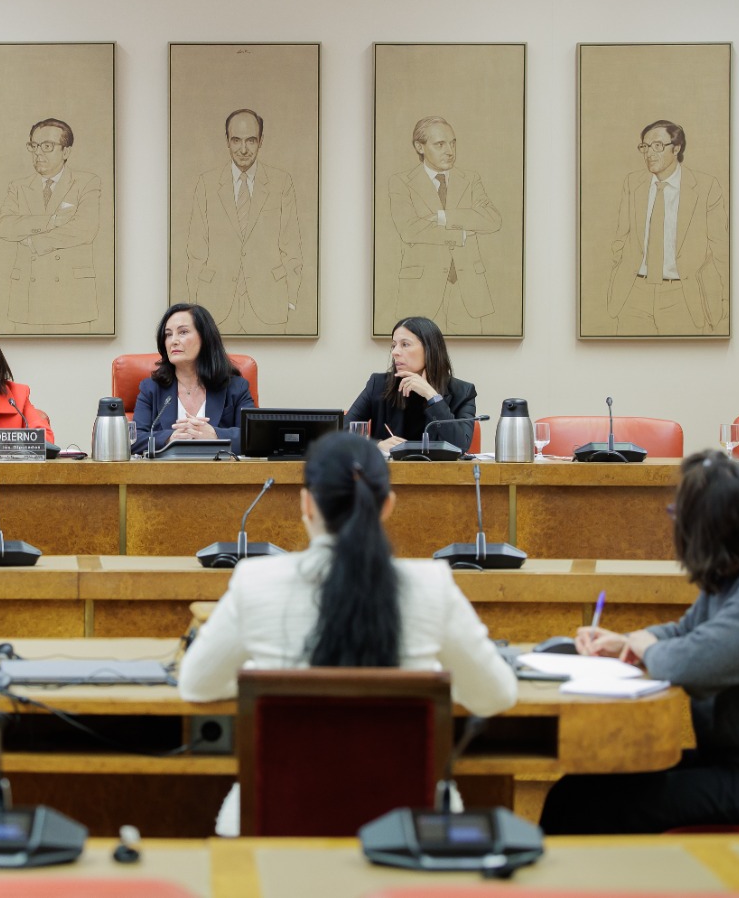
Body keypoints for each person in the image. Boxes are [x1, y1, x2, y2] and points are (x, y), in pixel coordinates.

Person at [179, 431, 517, 836]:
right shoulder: (432, 585)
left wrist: (261, 669)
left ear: (306, 504)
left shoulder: (255, 582)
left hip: (273, 841)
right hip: (409, 839)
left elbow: (197, 686)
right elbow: (496, 696)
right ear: (388, 505)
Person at [539, 452, 739, 834]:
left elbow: (691, 660)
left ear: (703, 528)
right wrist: (625, 643)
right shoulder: (738, 578)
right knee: (575, 792)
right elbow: (685, 633)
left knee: (598, 807)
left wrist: (641, 647)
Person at [605, 119, 729, 335]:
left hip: (682, 295)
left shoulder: (706, 187)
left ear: (677, 148)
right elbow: (620, 238)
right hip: (634, 294)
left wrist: (727, 299)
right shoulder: (633, 184)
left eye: (658, 146)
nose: (649, 153)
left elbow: (721, 250)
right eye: (645, 146)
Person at [184, 109, 303, 335]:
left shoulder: (281, 183)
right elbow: (195, 249)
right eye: (236, 140)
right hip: (215, 304)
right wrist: (194, 305)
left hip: (269, 301)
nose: (244, 149)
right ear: (227, 141)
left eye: (251, 140)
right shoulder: (207, 184)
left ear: (261, 141)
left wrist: (290, 298)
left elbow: (292, 245)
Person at [385, 116, 501, 334]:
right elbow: (410, 230)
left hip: (467, 293)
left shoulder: (471, 179)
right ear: (420, 147)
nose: (450, 151)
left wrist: (443, 217)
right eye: (440, 144)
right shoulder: (401, 182)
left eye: (453, 143)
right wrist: (462, 234)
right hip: (421, 292)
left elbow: (492, 219)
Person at [0, 118, 102, 331]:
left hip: (71, 295)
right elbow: (4, 226)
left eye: (47, 146)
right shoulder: (18, 187)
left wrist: (34, 242)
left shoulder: (87, 182)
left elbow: (84, 229)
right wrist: (51, 221)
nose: (38, 153)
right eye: (33, 146)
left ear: (66, 151)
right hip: (27, 295)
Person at [132, 303, 254, 455]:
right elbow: (133, 440)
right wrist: (169, 438)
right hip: (165, 476)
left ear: (205, 337)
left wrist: (215, 435)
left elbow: (254, 437)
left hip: (221, 475)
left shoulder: (236, 387)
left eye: (183, 332)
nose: (173, 341)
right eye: (168, 334)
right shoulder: (151, 388)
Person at [346, 316, 477, 454]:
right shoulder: (379, 385)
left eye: (405, 344)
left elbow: (460, 446)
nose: (395, 352)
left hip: (439, 474)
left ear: (429, 349)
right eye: (394, 345)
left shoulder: (462, 392)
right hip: (388, 473)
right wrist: (377, 444)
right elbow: (339, 432)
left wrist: (431, 396)